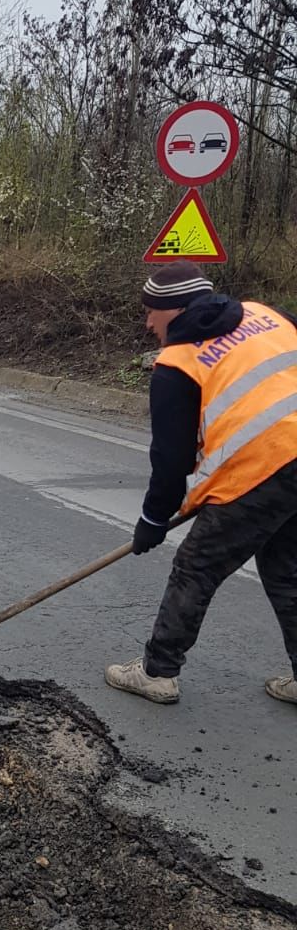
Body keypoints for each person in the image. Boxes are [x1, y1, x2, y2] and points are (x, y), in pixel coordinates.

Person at [106, 260, 297, 705]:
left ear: (173, 311)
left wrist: (153, 520)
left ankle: (158, 672)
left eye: (150, 310)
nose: (147, 321)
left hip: (266, 467)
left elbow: (170, 461)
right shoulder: (266, 315)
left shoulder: (177, 363)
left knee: (196, 565)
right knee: (286, 569)